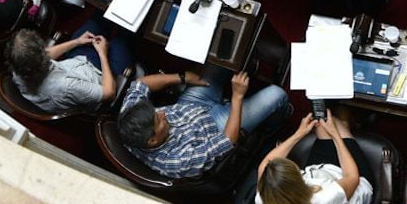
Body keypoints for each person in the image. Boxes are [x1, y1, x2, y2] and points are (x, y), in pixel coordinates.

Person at [115, 67, 291, 180]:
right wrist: (237, 97)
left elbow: (139, 84)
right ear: (152, 141)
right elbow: (228, 141)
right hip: (219, 127)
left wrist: (181, 76)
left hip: (190, 105)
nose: (161, 113)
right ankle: (270, 126)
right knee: (277, 94)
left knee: (224, 55)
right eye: (158, 120)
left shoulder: (129, 118)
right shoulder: (175, 162)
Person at [257, 111, 374, 204]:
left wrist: (299, 133)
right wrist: (335, 135)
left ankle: (345, 123)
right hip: (354, 183)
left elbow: (266, 164)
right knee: (335, 122)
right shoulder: (325, 199)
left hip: (321, 173)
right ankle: (348, 122)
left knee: (320, 124)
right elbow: (352, 177)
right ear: (297, 182)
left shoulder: (266, 197)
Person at [5, 19, 131, 113]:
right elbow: (109, 93)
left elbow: (45, 54)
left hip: (76, 61)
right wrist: (102, 53)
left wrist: (77, 42)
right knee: (126, 34)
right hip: (100, 75)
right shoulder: (66, 86)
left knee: (98, 20)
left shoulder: (19, 67)